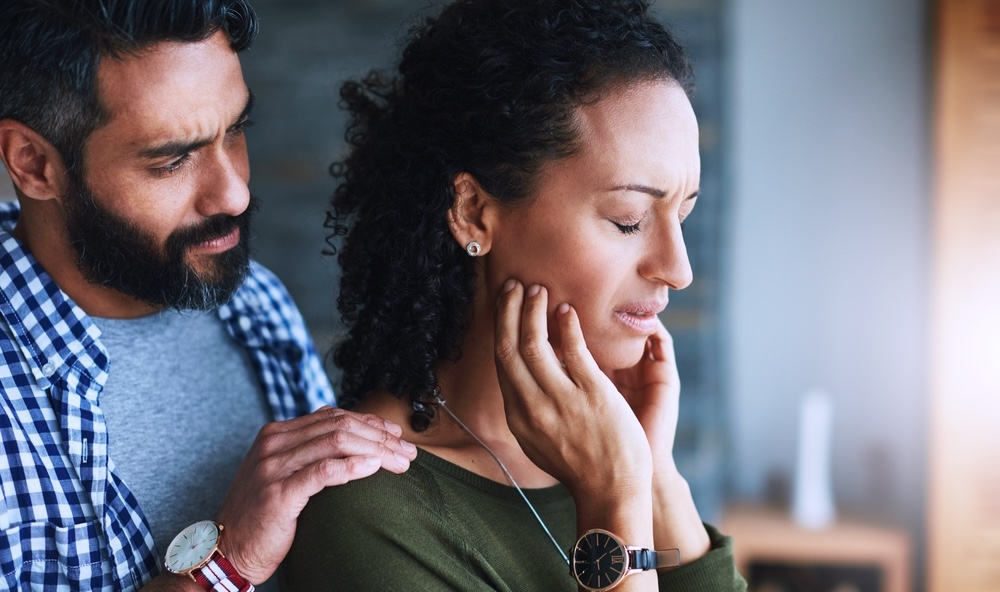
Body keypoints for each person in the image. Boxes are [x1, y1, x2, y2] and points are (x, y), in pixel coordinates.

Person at [282, 0, 747, 590]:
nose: (677, 270)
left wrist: (655, 478)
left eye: (683, 213)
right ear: (474, 213)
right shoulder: (371, 515)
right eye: (629, 220)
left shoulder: (611, 456)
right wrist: (614, 499)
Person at [0, 1, 417, 590]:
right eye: (172, 160)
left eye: (237, 131)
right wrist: (226, 567)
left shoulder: (256, 304)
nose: (234, 194)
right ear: (34, 163)